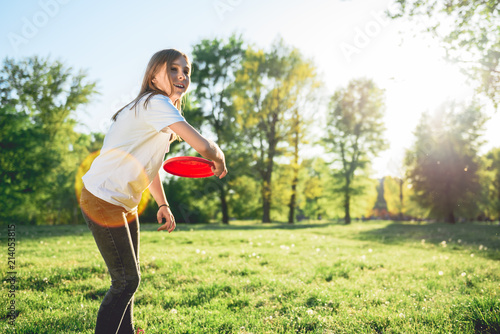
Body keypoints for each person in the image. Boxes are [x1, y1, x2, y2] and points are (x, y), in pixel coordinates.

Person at [79, 49, 227, 334]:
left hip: (124, 202)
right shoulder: (155, 102)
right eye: (173, 69)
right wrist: (217, 154)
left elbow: (150, 164)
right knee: (125, 280)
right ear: (153, 76)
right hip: (102, 198)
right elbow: (204, 147)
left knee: (129, 279)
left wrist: (163, 204)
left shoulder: (160, 111)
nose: (182, 75)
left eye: (186, 71)